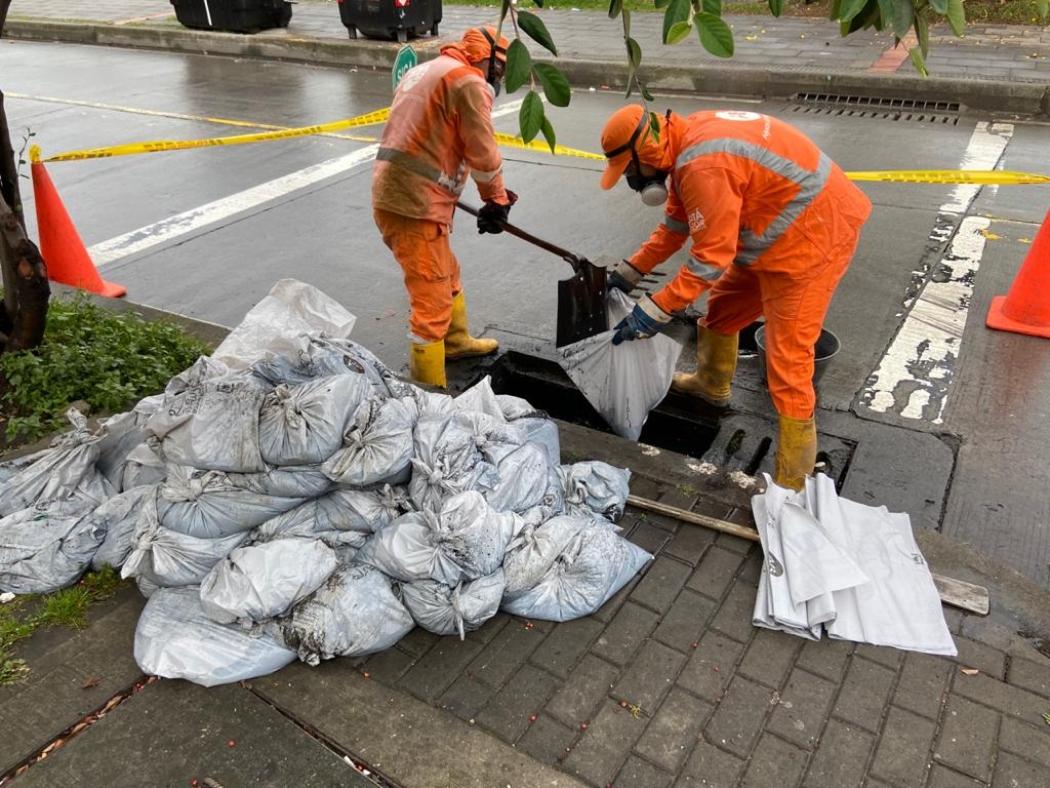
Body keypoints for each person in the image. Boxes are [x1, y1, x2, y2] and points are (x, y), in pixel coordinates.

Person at [599, 105, 871, 490]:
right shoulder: (684, 146)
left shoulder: (703, 165)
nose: (631, 181)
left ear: (646, 152)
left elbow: (710, 259)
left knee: (788, 361)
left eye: (630, 170)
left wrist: (653, 311)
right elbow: (675, 230)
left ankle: (793, 483)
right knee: (723, 311)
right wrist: (629, 273)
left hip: (814, 239)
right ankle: (711, 385)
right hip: (778, 237)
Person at [372, 26, 515, 388]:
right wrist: (496, 200)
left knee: (446, 272)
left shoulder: (430, 69)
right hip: (412, 203)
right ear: (486, 59)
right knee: (432, 299)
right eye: (498, 71)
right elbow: (482, 150)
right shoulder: (468, 82)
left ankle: (454, 343)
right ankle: (430, 394)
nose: (496, 80)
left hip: (408, 195)